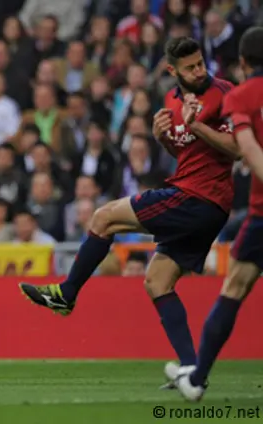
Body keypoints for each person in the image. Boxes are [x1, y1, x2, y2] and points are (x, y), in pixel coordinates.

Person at [19, 36, 238, 387]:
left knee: (103, 217)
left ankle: (67, 293)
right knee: (157, 282)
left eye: (200, 63)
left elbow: (238, 148)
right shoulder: (172, 100)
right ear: (172, 71)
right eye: (190, 67)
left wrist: (198, 126)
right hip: (199, 200)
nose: (199, 71)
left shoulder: (225, 93)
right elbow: (188, 153)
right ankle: (190, 371)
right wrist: (162, 137)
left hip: (199, 198)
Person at [175, 27, 263, 402]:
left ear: (242, 63)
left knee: (235, 287)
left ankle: (196, 380)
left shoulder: (241, 97)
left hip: (262, 216)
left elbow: (246, 148)